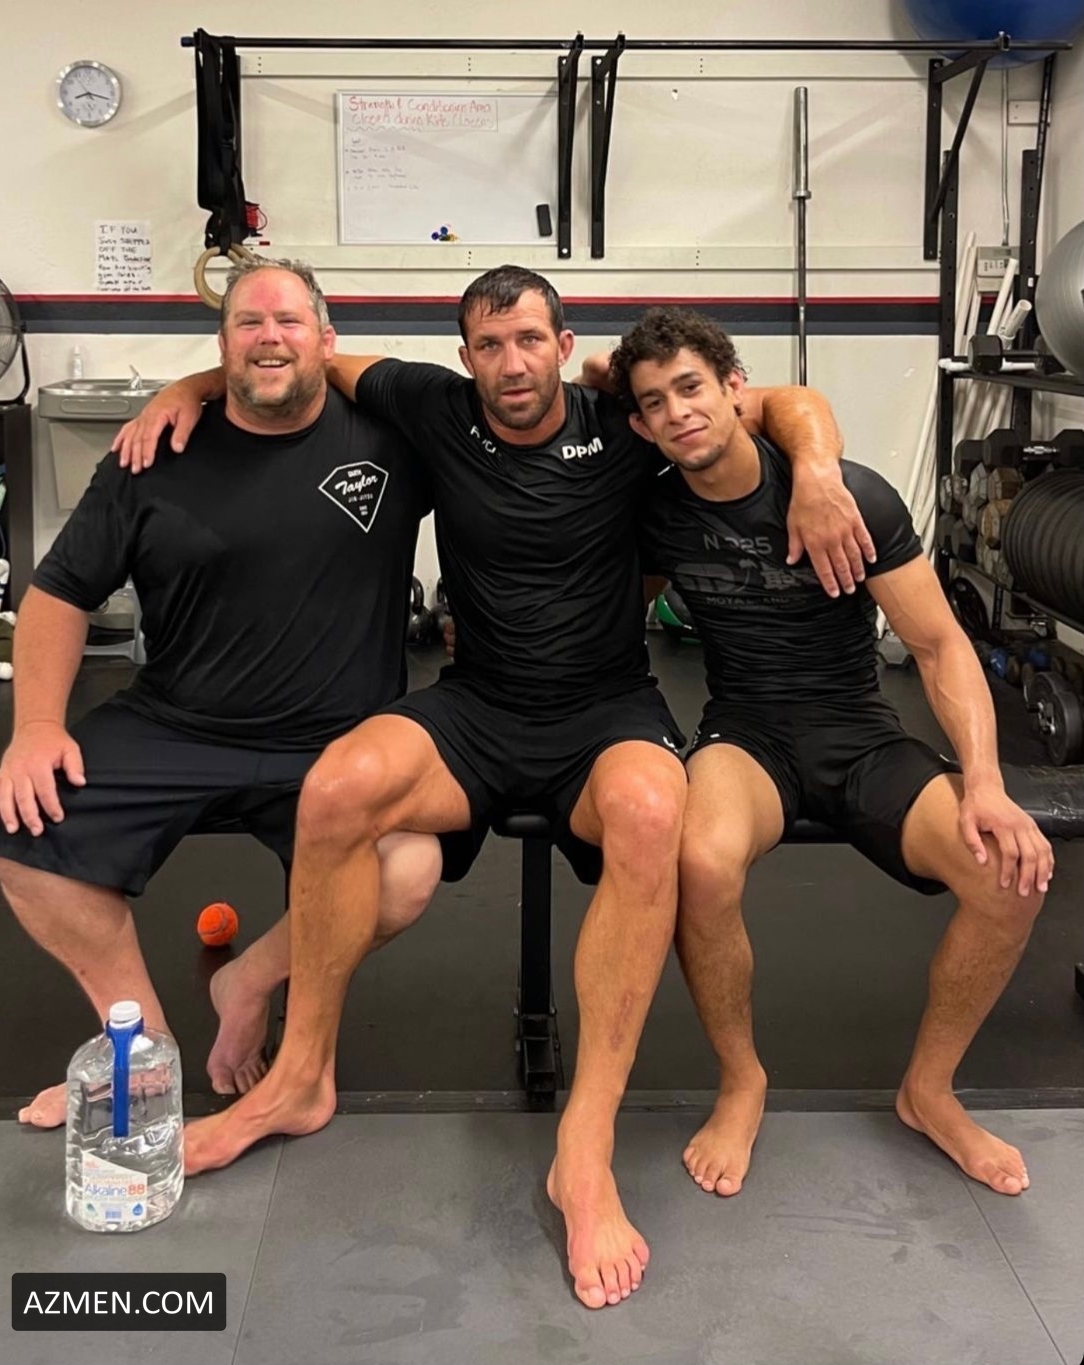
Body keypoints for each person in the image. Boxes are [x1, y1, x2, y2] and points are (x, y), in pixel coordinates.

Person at [115, 265, 871, 1310]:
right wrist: (187, 388)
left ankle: (584, 1147)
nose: (510, 364)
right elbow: (295, 357)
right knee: (337, 786)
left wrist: (819, 468)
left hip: (604, 710)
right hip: (477, 707)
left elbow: (780, 401)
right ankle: (298, 1078)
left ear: (563, 346)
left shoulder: (622, 416)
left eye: (527, 340)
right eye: (487, 345)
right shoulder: (432, 403)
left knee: (654, 811)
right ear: (464, 355)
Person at [0, 259, 461, 1130]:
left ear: (327, 340)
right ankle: (143, 1052)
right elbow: (59, 592)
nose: (270, 338)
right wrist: (37, 724)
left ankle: (251, 979)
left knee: (408, 869)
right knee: (24, 832)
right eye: (248, 323)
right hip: (178, 721)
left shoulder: (391, 439)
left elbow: (510, 419)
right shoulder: (153, 450)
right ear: (222, 342)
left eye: (289, 322)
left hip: (339, 740)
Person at [604, 305, 1054, 1203]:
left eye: (692, 387)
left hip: (858, 732)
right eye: (654, 402)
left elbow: (938, 646)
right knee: (699, 860)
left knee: (1006, 876)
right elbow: (615, 611)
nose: (678, 411)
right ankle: (742, 1079)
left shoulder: (848, 494)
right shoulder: (655, 511)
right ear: (641, 425)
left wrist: (985, 781)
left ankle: (928, 1091)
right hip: (746, 735)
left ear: (737, 391)